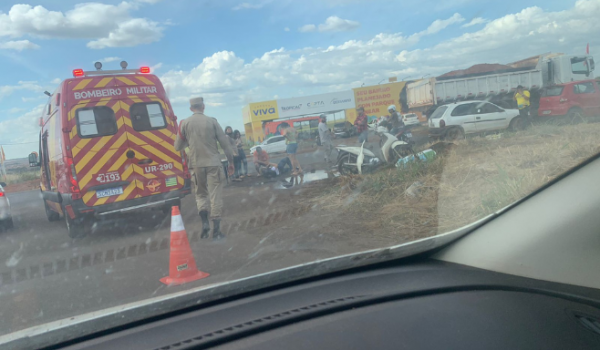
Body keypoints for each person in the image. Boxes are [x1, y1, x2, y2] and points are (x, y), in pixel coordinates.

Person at [174, 97, 234, 240]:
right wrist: (231, 162)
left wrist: (190, 147)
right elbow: (225, 144)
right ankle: (217, 231)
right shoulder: (212, 121)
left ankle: (205, 224)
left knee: (200, 195)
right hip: (213, 163)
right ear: (203, 107)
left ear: (190, 109)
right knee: (215, 196)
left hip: (196, 165)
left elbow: (177, 147)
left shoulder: (184, 123)